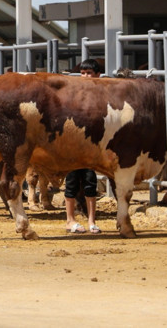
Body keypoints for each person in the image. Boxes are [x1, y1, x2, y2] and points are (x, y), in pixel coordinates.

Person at [65, 58, 102, 235]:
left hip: (90, 143)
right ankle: (69, 220)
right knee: (71, 182)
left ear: (97, 75)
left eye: (89, 73)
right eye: (83, 73)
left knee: (90, 181)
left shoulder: (100, 93)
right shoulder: (74, 92)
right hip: (73, 142)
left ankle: (91, 220)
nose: (85, 76)